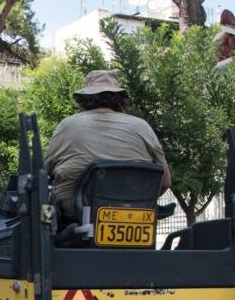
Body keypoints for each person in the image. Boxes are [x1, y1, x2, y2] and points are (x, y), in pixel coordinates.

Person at [45, 69, 172, 220]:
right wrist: (137, 203)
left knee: (43, 211)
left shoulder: (67, 125)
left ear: (84, 98)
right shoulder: (142, 127)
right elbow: (165, 182)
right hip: (132, 219)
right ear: (119, 99)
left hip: (74, 219)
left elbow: (45, 173)